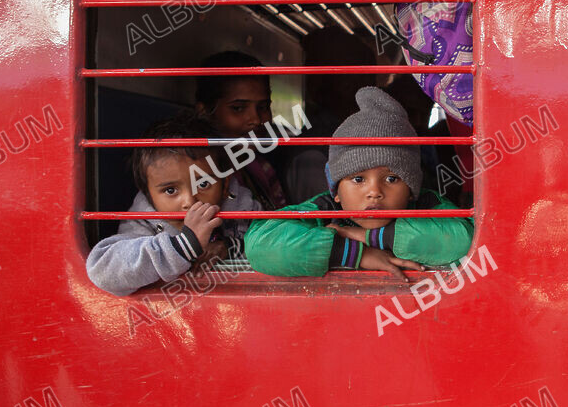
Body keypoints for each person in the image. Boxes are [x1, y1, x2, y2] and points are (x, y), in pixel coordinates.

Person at [244, 87, 474, 280]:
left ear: (412, 190)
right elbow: (260, 245)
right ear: (336, 191)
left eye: (392, 179)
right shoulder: (325, 209)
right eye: (358, 179)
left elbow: (463, 241)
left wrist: (362, 235)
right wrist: (356, 253)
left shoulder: (427, 205)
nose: (374, 192)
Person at [86, 114, 261, 295]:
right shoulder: (143, 220)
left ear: (225, 186)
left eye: (203, 184)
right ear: (148, 194)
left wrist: (231, 248)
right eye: (170, 190)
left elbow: (273, 247)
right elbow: (103, 271)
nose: (189, 202)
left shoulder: (243, 207)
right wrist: (184, 246)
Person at [195, 51, 288, 210]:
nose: (256, 119)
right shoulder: (192, 174)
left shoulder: (260, 167)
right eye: (238, 108)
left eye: (263, 107)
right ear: (204, 112)